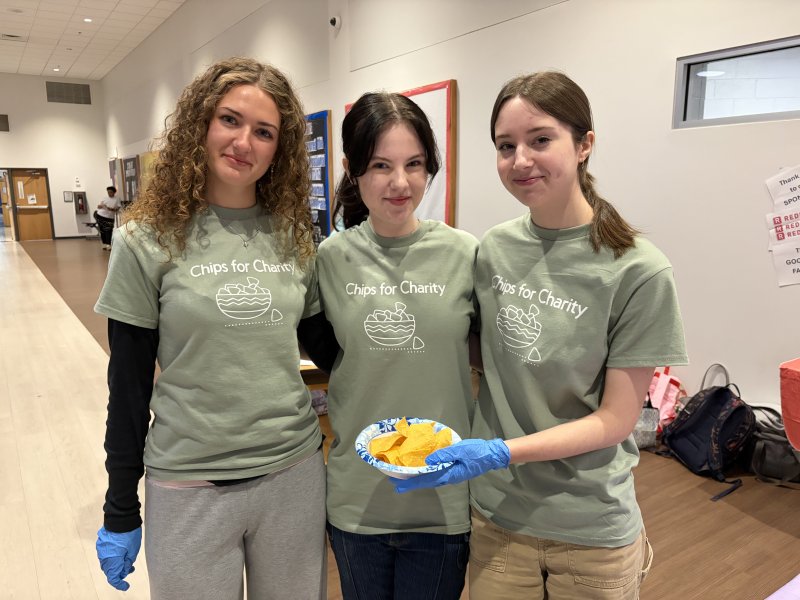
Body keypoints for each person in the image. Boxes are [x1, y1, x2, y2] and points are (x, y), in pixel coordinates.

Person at [395, 71, 688, 600]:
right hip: (498, 520)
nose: (521, 160)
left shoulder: (639, 271)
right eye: (505, 147)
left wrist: (502, 451)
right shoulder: (495, 249)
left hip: (591, 530)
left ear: (584, 146)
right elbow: (476, 350)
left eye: (541, 140)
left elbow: (616, 420)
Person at [93, 57, 328, 599]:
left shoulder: (294, 234)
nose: (244, 141)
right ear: (201, 124)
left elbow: (328, 349)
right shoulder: (145, 239)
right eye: (230, 120)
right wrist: (120, 505)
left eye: (264, 132)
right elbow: (126, 386)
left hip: (292, 472)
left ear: (280, 148)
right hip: (189, 481)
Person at [316, 91, 478, 599]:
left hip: (443, 500)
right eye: (381, 165)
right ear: (352, 169)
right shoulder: (328, 260)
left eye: (414, 164)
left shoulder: (464, 253)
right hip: (356, 499)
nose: (400, 182)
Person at [95, 185, 121, 250]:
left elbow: (117, 208)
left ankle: (108, 244)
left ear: (114, 192)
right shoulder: (104, 198)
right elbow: (99, 206)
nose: (109, 193)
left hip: (109, 217)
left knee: (109, 230)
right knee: (102, 230)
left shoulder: (117, 199)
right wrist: (100, 206)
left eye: (111, 192)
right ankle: (104, 244)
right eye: (108, 192)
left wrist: (111, 209)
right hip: (100, 215)